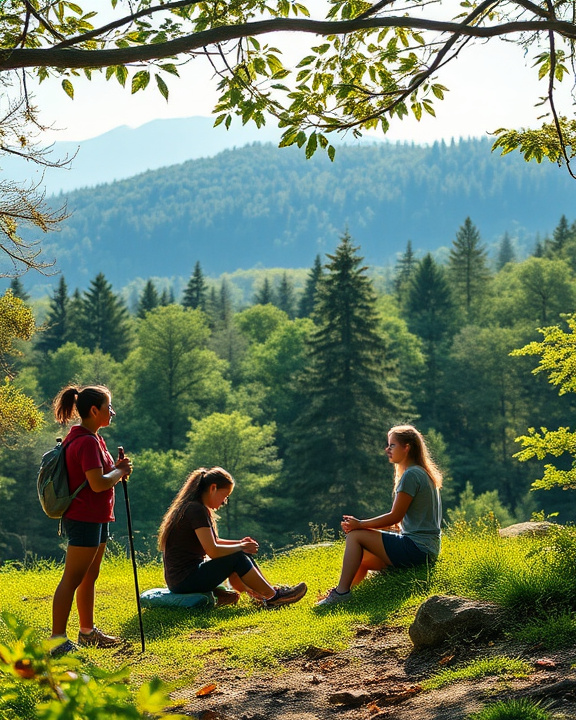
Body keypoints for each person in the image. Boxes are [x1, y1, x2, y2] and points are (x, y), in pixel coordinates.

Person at [316, 424, 442, 606]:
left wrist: (360, 524)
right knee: (362, 556)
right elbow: (403, 521)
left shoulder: (411, 475)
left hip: (417, 549)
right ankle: (342, 594)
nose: (387, 449)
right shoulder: (423, 473)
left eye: (392, 445)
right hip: (427, 550)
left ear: (407, 447)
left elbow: (394, 517)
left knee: (355, 537)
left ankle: (341, 593)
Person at [50, 385, 133, 655]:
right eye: (109, 407)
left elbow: (103, 476)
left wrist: (117, 470)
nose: (113, 411)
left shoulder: (93, 438)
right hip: (84, 517)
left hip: (97, 516)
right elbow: (97, 484)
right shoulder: (85, 441)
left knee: (89, 575)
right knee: (73, 577)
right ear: (94, 410)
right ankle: (57, 641)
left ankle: (87, 632)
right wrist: (119, 472)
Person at [158, 467, 307, 608]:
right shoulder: (196, 510)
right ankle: (272, 597)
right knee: (237, 558)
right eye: (225, 496)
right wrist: (241, 547)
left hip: (181, 579)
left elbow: (214, 541)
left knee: (238, 553)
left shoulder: (193, 507)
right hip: (184, 580)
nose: (224, 502)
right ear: (213, 488)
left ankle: (265, 595)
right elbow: (213, 551)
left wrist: (240, 543)